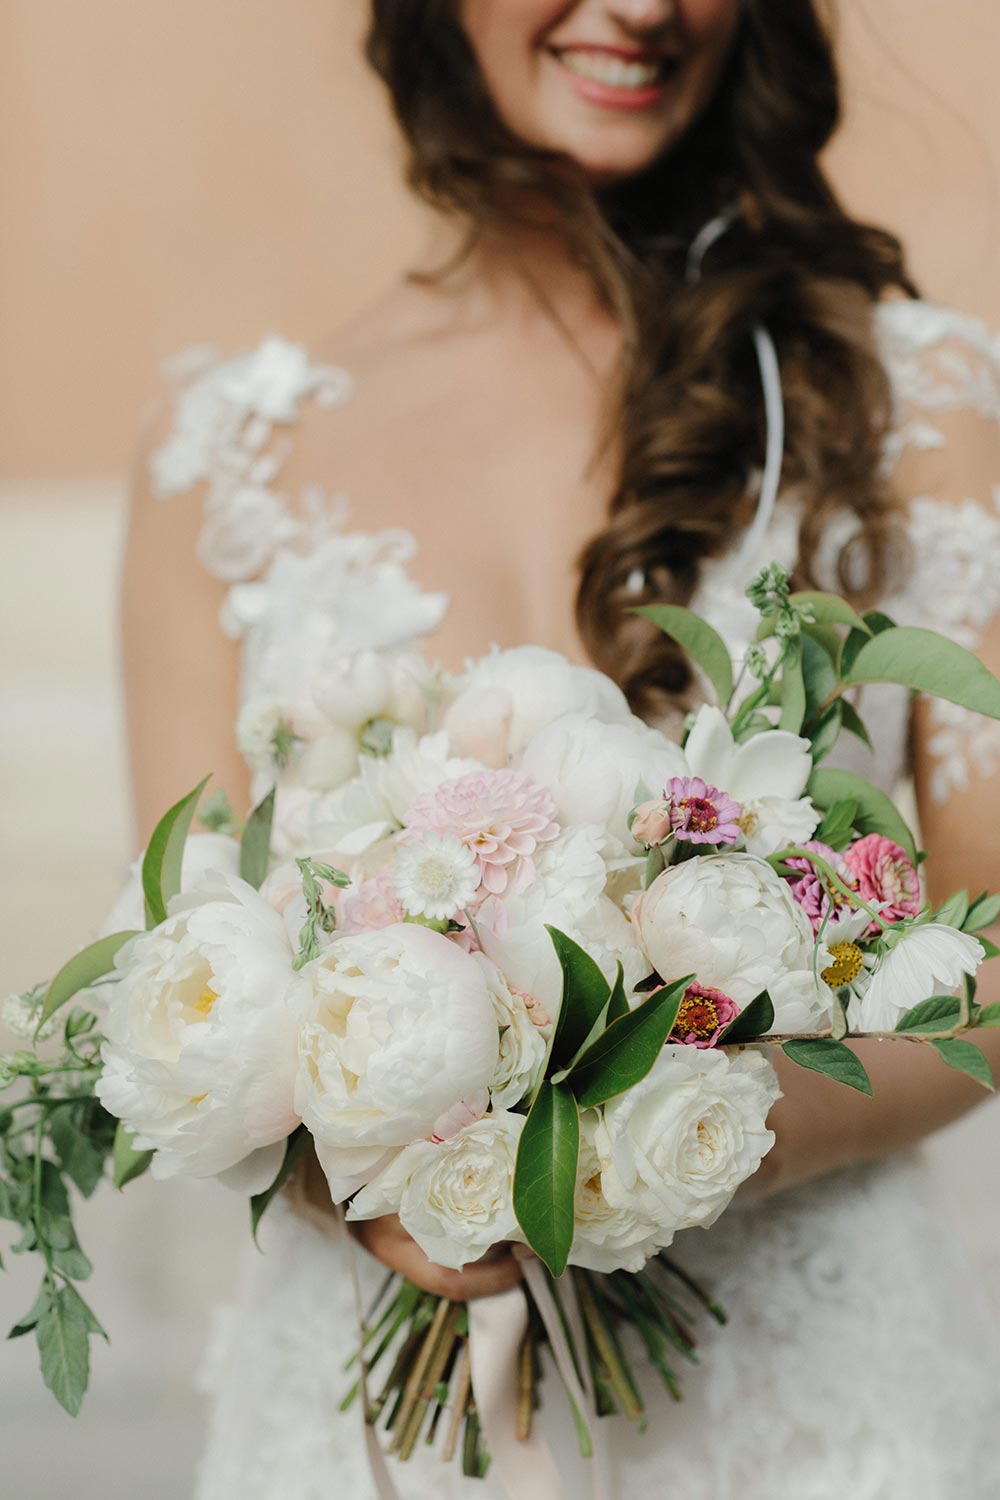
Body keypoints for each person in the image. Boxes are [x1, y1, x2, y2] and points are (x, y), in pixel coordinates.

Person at [122, 2, 1000, 1495]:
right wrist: (395, 1192)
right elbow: (192, 995)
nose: (645, 5)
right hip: (369, 1407)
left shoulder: (911, 404)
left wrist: (698, 1135)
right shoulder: (227, 459)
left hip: (816, 1406)